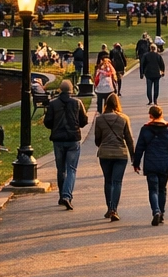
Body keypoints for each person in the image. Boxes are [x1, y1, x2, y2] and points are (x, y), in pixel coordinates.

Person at [132, 104, 168, 225]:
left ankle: (156, 211)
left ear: (150, 116)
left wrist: (136, 163)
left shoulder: (145, 129)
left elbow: (139, 148)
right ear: (161, 114)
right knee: (162, 189)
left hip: (150, 163)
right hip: (164, 164)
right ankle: (162, 213)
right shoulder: (167, 129)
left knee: (153, 190)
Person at [44, 81, 88, 210]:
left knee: (61, 169)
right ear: (71, 90)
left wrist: (55, 128)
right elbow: (84, 120)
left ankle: (61, 195)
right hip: (73, 139)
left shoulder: (53, 104)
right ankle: (67, 195)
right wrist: (76, 125)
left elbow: (48, 122)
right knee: (71, 169)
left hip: (58, 139)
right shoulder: (77, 103)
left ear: (60, 90)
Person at [93, 92, 135, 221]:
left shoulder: (100, 119)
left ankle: (108, 208)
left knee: (108, 181)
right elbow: (129, 139)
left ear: (106, 104)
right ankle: (114, 209)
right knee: (117, 182)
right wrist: (134, 157)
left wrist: (103, 144)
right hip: (120, 154)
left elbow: (97, 139)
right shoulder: (124, 118)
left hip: (105, 153)